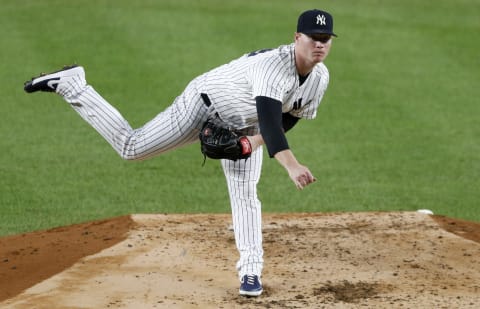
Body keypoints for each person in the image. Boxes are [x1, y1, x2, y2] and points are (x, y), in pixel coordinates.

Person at [24, 9, 337, 297]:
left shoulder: (320, 77)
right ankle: (74, 85)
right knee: (132, 148)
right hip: (201, 106)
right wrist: (291, 165)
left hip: (245, 124)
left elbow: (289, 116)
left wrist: (249, 145)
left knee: (245, 192)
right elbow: (271, 123)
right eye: (314, 38)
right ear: (297, 38)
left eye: (325, 39)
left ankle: (251, 272)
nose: (320, 45)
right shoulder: (273, 69)